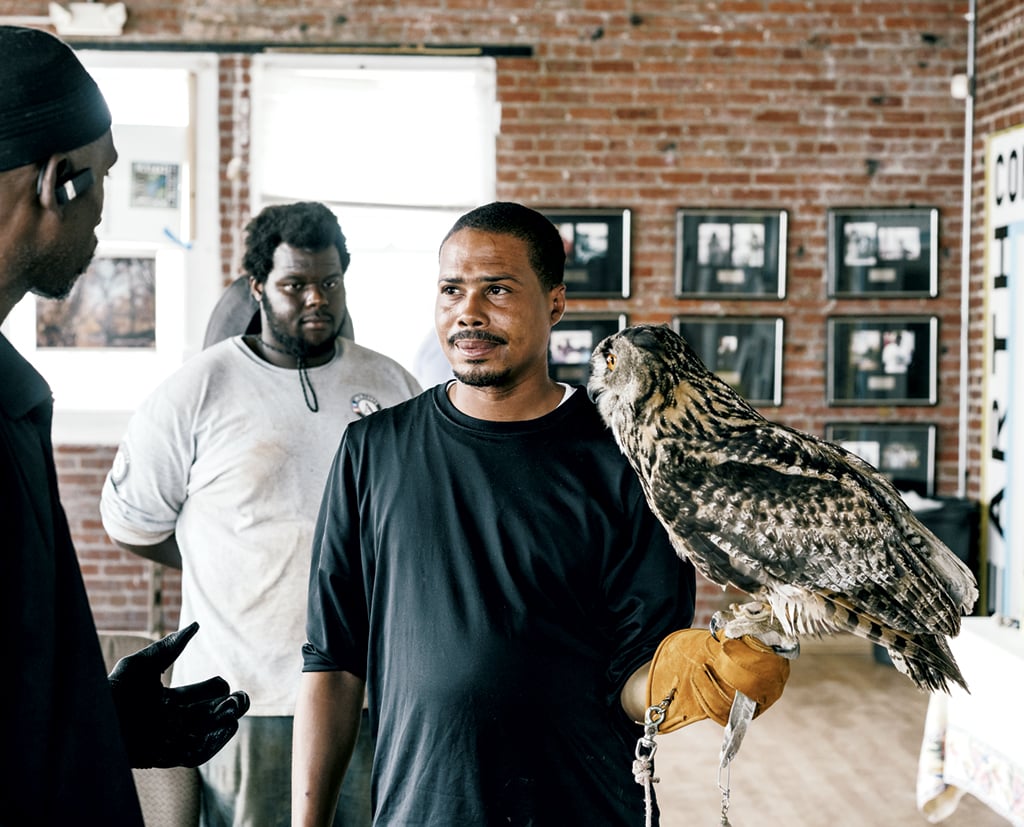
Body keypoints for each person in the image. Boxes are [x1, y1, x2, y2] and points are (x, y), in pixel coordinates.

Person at [292, 202, 790, 825]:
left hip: (583, 805)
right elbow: (333, 660)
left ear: (555, 303)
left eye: (497, 289)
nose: (468, 312)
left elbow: (635, 675)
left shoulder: (627, 459)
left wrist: (690, 681)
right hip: (421, 809)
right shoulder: (373, 451)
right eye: (452, 290)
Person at [101, 201, 421, 827]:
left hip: (371, 688)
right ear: (257, 287)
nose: (315, 299)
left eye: (329, 282)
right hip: (245, 692)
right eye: (294, 284)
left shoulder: (390, 386)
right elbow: (133, 525)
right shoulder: (196, 391)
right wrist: (225, 559)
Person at [0, 26, 248, 826]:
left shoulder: (12, 391)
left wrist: (99, 719)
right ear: (56, 182)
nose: (103, 213)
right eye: (102, 178)